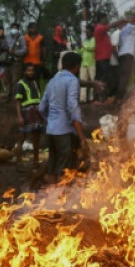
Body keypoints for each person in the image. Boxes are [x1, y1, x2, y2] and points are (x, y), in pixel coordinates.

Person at [38, 52, 86, 182]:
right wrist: (81, 138)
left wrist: (49, 121)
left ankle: (50, 199)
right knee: (65, 169)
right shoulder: (72, 80)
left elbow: (41, 107)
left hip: (51, 130)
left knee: (52, 167)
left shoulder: (52, 81)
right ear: (76, 66)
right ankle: (60, 198)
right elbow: (73, 108)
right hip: (64, 131)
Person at [14, 63, 44, 170]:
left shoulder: (35, 82)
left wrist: (41, 115)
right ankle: (19, 162)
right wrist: (19, 116)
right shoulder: (20, 84)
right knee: (22, 137)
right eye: (28, 70)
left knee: (36, 137)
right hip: (26, 112)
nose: (31, 72)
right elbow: (18, 101)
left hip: (36, 111)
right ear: (24, 72)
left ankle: (36, 161)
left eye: (32, 70)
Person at [93, 19, 115, 101]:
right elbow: (112, 25)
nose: (107, 22)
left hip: (104, 58)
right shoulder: (99, 28)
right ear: (102, 19)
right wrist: (123, 20)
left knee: (102, 78)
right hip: (102, 59)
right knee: (105, 78)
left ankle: (100, 97)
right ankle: (101, 96)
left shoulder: (105, 33)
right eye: (105, 19)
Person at [78, 25, 96, 102]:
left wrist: (83, 46)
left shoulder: (94, 40)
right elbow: (80, 52)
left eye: (88, 32)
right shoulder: (85, 41)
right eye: (86, 32)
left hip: (91, 63)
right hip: (83, 64)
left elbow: (92, 48)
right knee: (83, 81)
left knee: (92, 81)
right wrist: (78, 47)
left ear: (92, 32)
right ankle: (83, 99)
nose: (86, 34)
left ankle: (92, 98)